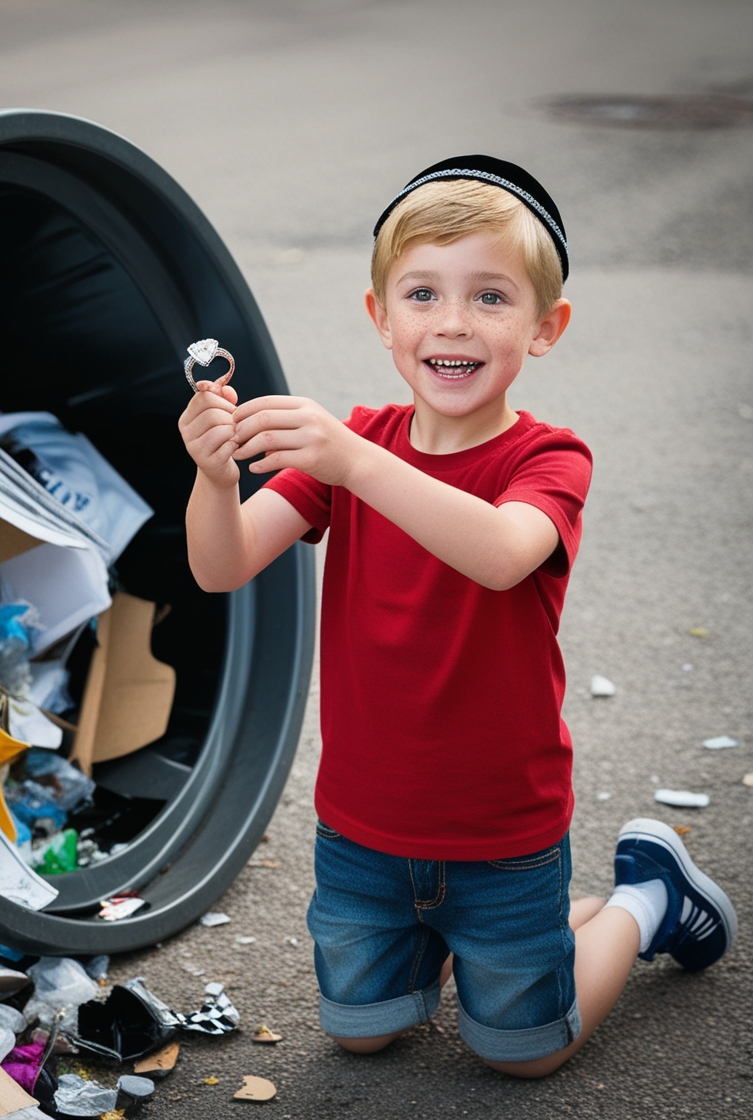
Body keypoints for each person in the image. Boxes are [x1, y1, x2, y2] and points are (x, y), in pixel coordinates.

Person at [177, 156, 736, 1077]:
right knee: (361, 1034)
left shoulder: (546, 459)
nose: (452, 322)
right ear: (381, 317)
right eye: (423, 293)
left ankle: (646, 906)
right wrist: (212, 478)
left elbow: (503, 552)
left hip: (503, 837)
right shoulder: (354, 446)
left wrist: (354, 463)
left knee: (523, 1055)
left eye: (490, 297)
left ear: (545, 326)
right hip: (362, 834)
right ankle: (497, 948)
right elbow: (221, 565)